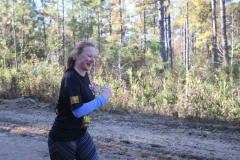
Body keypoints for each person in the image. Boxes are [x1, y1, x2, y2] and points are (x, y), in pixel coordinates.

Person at [48, 41, 112, 160]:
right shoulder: (70, 77)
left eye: (94, 57)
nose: (93, 60)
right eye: (89, 56)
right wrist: (102, 98)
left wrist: (93, 92)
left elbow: (83, 101)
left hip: (81, 133)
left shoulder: (84, 75)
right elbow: (77, 111)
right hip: (63, 138)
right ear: (77, 55)